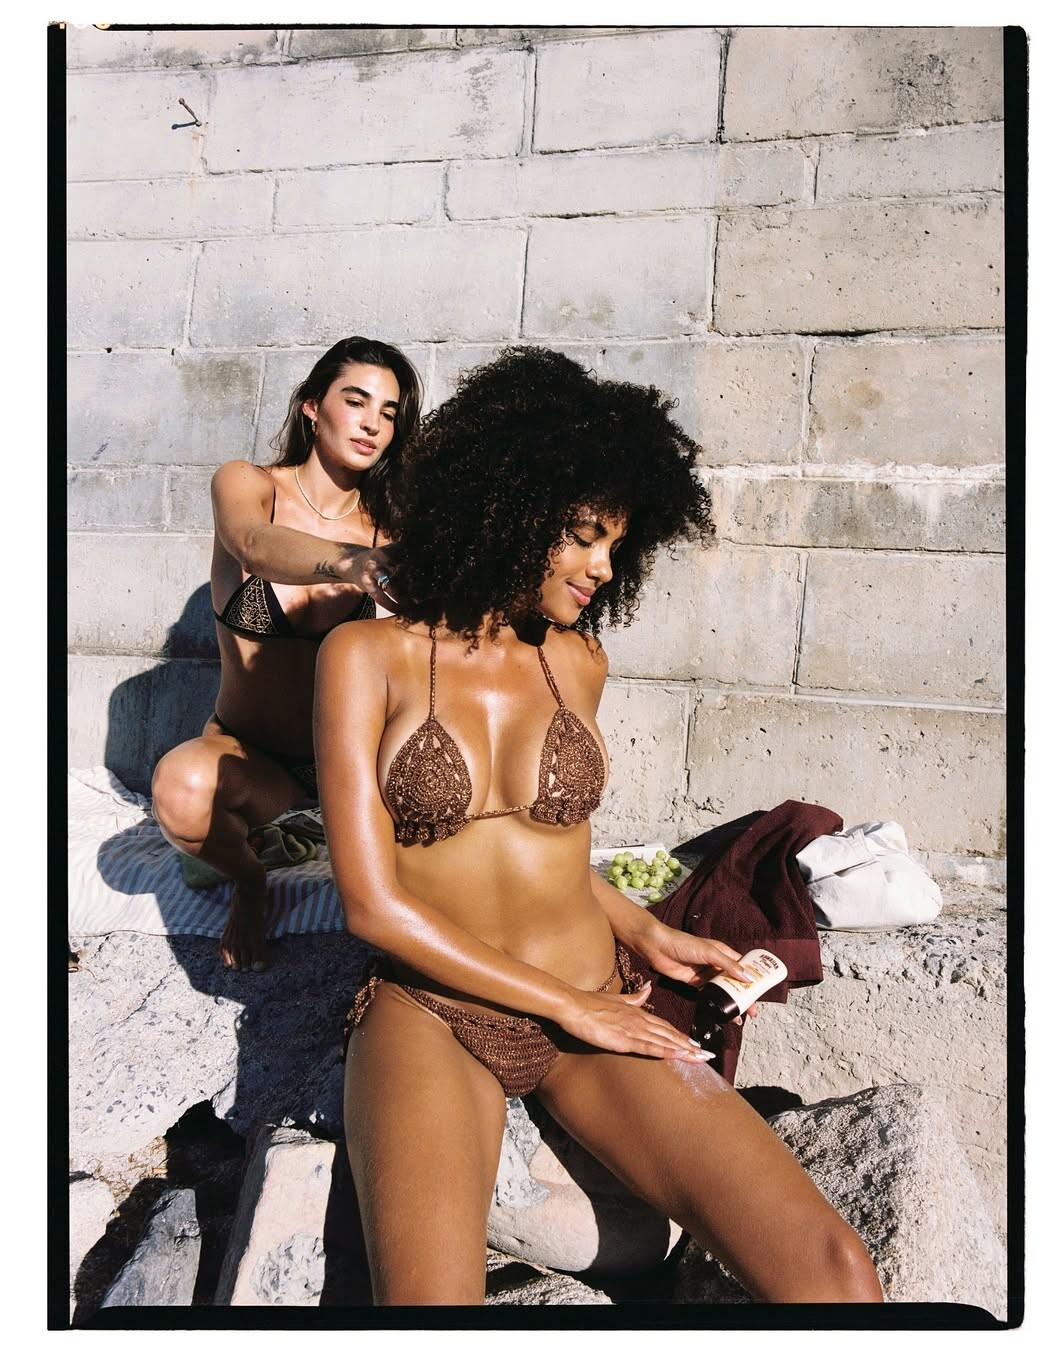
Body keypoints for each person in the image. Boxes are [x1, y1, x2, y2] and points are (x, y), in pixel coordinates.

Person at [315, 347, 883, 1306]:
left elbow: (549, 856)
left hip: (595, 991)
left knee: (835, 1274)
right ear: (510, 506)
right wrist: (568, 1007)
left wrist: (650, 934)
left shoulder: (577, 663)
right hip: (435, 1010)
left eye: (617, 545)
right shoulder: (364, 656)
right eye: (583, 536)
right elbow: (372, 905)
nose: (602, 568)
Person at [152, 337, 422, 972]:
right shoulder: (248, 485)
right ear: (311, 406)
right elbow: (252, 543)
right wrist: (351, 564)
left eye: (388, 413)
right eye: (356, 401)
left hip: (344, 765)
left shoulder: (390, 527)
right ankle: (252, 881)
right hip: (251, 757)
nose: (372, 424)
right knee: (180, 788)